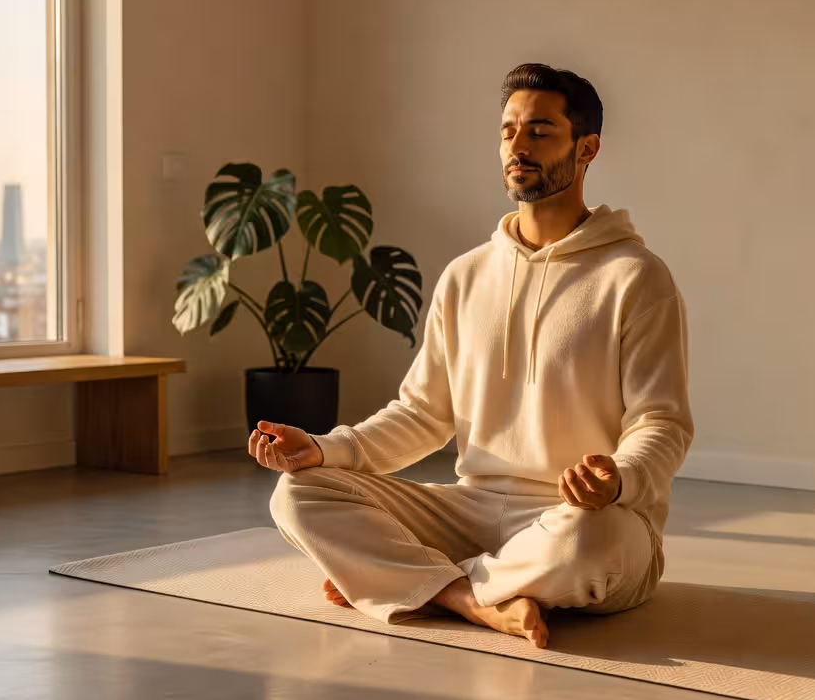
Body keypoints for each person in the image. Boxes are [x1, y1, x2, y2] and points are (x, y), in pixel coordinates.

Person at [247, 63, 693, 649]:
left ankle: (404, 582)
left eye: (539, 131)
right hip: (469, 514)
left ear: (587, 149)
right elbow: (422, 414)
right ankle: (471, 599)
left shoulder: (636, 277)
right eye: (508, 131)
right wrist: (324, 449)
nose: (517, 146)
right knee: (298, 493)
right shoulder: (465, 276)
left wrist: (619, 480)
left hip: (580, 519)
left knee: (595, 544)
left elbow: (662, 421)